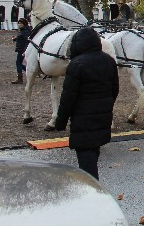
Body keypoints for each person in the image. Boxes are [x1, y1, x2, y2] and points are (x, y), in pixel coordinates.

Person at [55, 27, 119, 180]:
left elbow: (67, 98)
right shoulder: (109, 61)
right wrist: (106, 106)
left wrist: (61, 122)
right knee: (93, 153)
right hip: (102, 117)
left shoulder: (77, 64)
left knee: (86, 164)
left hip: (82, 119)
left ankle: (93, 195)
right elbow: (114, 89)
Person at [11, 17, 31, 84]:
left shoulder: (25, 31)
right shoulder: (22, 30)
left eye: (21, 23)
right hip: (20, 49)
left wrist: (25, 50)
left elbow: (27, 41)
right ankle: (30, 71)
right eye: (19, 23)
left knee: (18, 63)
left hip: (22, 49)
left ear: (24, 24)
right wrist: (15, 39)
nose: (19, 24)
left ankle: (20, 78)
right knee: (19, 63)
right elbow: (20, 36)